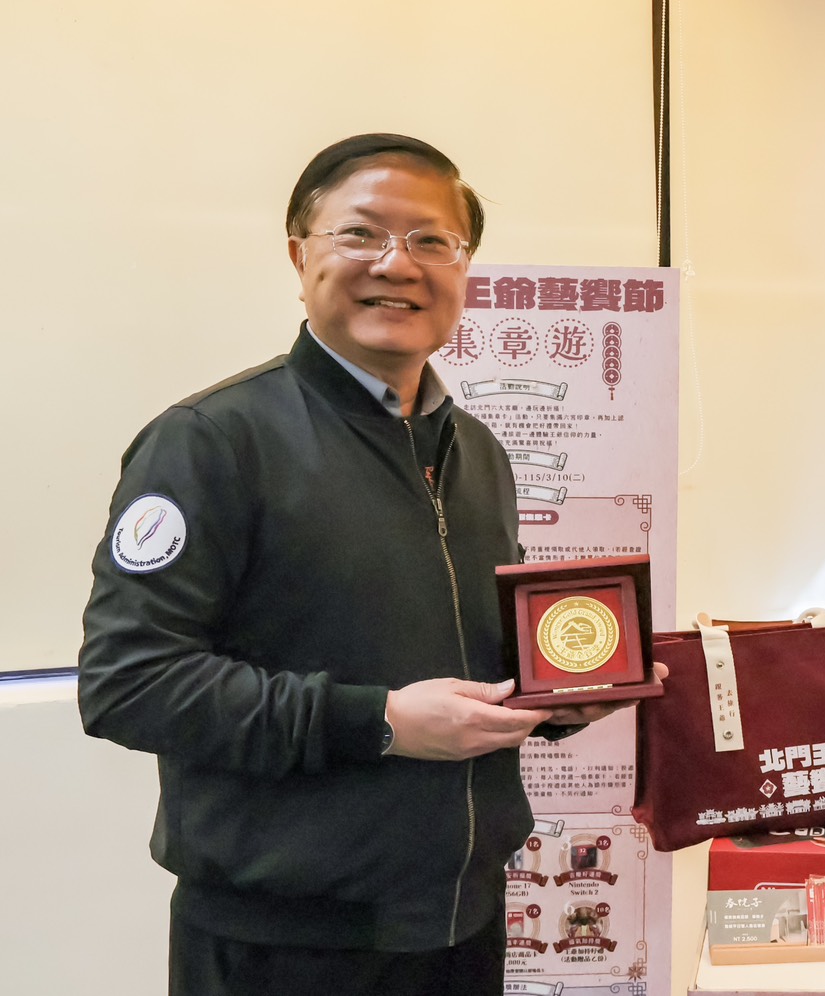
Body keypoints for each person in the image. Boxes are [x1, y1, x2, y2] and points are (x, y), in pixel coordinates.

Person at [78, 133, 657, 996]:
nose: (398, 263)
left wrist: (558, 697)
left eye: (432, 240)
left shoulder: (477, 452)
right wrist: (379, 721)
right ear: (299, 256)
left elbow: (466, 660)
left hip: (463, 927)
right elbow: (129, 683)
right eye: (361, 234)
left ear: (465, 267)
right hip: (283, 946)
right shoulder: (211, 442)